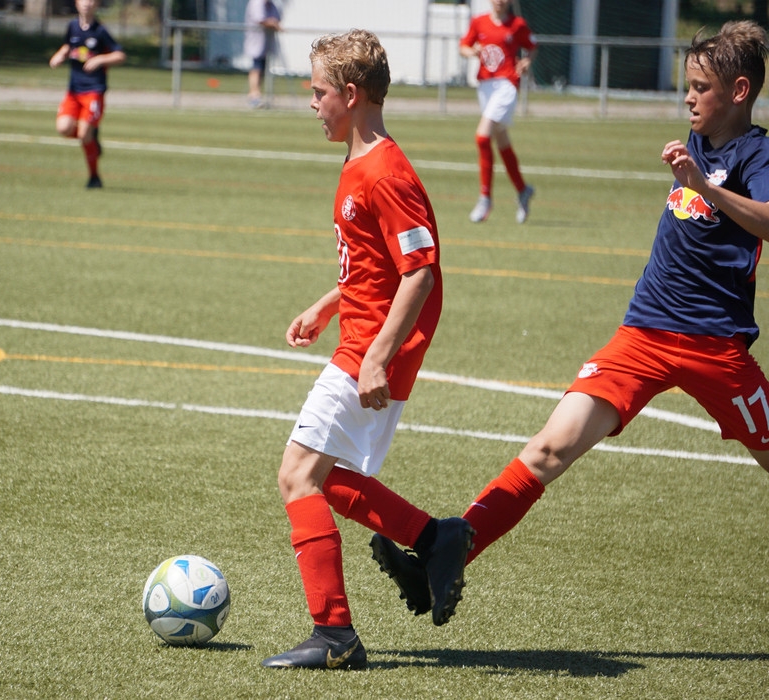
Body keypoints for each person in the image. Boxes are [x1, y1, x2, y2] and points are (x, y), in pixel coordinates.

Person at [371, 19, 769, 620]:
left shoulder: (755, 152)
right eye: (686, 85)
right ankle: (446, 554)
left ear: (739, 92)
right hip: (642, 334)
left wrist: (702, 186)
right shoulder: (699, 142)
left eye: (700, 88)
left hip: (715, 347)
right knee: (548, 449)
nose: (687, 98)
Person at [259, 29, 475, 671]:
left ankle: (334, 635)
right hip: (361, 337)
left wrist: (378, 355)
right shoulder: (361, 164)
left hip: (370, 349)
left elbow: (420, 271)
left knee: (297, 475)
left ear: (350, 95)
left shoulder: (384, 172)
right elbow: (375, 266)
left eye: (318, 92)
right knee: (325, 476)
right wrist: (328, 304)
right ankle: (434, 538)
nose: (312, 104)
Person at [459, 0, 537, 224]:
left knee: (482, 137)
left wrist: (527, 61)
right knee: (501, 140)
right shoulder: (479, 22)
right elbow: (463, 47)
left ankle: (485, 198)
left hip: (507, 85)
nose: (500, 1)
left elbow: (532, 46)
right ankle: (522, 190)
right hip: (485, 87)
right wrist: (472, 51)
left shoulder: (517, 24)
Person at [49, 0, 126, 189]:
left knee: (84, 134)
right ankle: (92, 138)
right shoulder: (72, 26)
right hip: (74, 90)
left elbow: (120, 55)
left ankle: (94, 177)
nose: (87, 4)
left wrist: (100, 59)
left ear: (97, 5)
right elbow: (69, 45)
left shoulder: (100, 31)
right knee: (63, 128)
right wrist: (60, 54)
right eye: (84, 0)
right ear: (76, 3)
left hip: (94, 90)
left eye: (91, 1)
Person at [244, 0, 281, 108]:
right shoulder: (256, 3)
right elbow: (260, 19)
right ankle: (254, 95)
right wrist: (272, 23)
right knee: (256, 67)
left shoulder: (271, 4)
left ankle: (257, 93)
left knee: (262, 69)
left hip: (266, 43)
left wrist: (274, 23)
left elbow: (277, 18)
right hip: (256, 41)